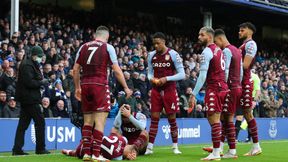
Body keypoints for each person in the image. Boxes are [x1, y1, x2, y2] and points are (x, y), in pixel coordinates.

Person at [73, 25, 132, 162]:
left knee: (87, 122)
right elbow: (116, 70)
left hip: (85, 85)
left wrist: (77, 88)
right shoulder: (108, 47)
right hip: (99, 84)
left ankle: (87, 153)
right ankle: (96, 154)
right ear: (107, 36)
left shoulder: (83, 47)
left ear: (95, 35)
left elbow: (75, 70)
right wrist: (126, 87)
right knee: (100, 122)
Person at [202, 29, 243, 158]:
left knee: (223, 120)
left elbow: (224, 71)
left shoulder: (225, 51)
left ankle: (220, 150)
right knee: (227, 120)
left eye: (216, 42)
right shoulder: (237, 50)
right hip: (237, 87)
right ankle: (225, 149)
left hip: (226, 87)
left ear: (219, 40)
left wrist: (223, 86)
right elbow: (241, 72)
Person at [190, 27, 229, 161]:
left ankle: (216, 153)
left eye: (202, 35)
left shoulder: (207, 51)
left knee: (214, 120)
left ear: (210, 37)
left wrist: (193, 94)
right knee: (215, 119)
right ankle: (218, 149)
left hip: (214, 88)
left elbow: (202, 76)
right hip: (223, 87)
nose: (199, 37)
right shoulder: (220, 51)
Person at [145, 32, 185, 155]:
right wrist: (151, 78)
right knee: (154, 119)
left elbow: (182, 74)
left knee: (172, 119)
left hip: (169, 90)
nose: (156, 46)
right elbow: (150, 73)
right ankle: (149, 147)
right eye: (154, 44)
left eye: (158, 43)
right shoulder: (151, 55)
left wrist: (166, 78)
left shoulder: (173, 54)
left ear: (164, 42)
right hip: (156, 90)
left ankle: (175, 146)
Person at [12, 46, 50, 155]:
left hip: (27, 99)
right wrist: (42, 82)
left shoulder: (29, 64)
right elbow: (29, 83)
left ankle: (17, 149)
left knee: (22, 125)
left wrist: (41, 81)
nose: (40, 58)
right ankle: (40, 148)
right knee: (40, 122)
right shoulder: (28, 65)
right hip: (30, 99)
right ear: (33, 55)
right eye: (38, 56)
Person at [238, 22, 262, 156]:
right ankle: (219, 146)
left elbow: (245, 65)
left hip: (244, 83)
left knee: (247, 114)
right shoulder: (243, 45)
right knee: (228, 112)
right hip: (239, 83)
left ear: (250, 31)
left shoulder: (251, 44)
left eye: (242, 30)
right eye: (239, 30)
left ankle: (256, 146)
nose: (239, 32)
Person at [62, 133, 138, 160]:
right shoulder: (118, 157)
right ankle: (68, 151)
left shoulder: (123, 139)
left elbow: (119, 137)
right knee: (75, 153)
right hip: (84, 150)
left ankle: (68, 151)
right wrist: (126, 158)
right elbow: (122, 156)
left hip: (90, 139)